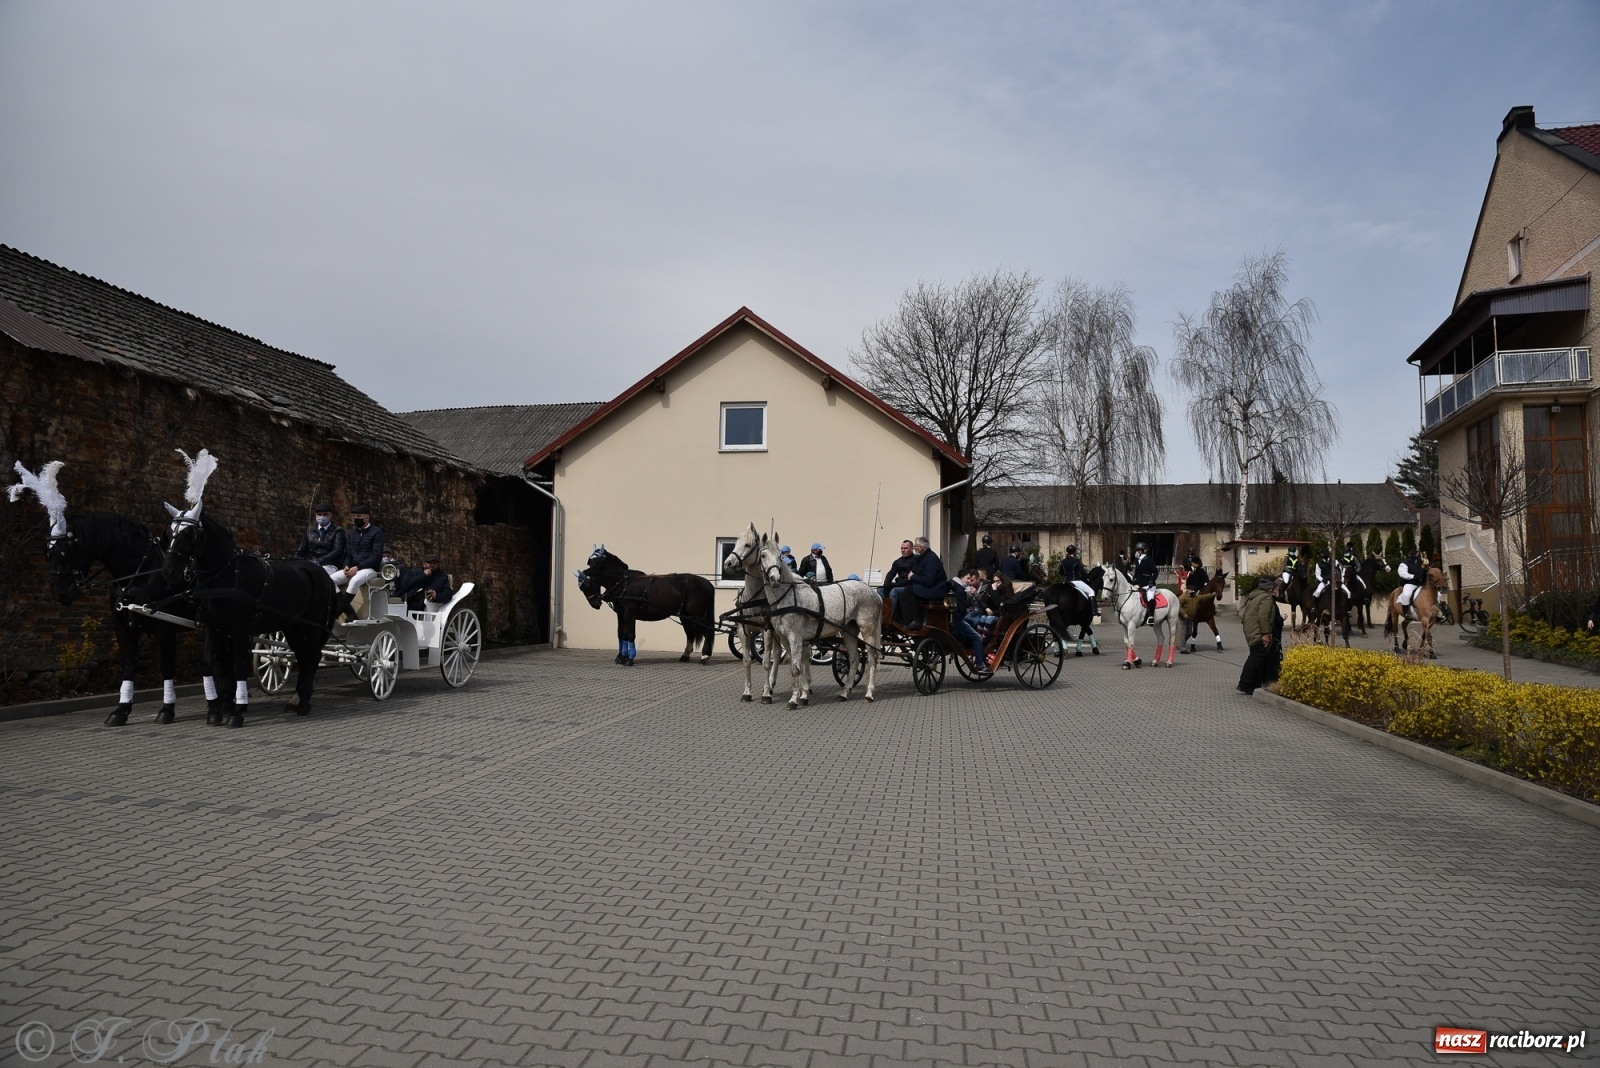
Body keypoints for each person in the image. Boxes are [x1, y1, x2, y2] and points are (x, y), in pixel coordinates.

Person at [1237, 576, 1284, 695]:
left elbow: (1246, 616)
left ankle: (1254, 684)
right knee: (1257, 655)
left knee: (1258, 656)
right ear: (1269, 589)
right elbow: (1263, 617)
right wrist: (1266, 634)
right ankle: (1245, 683)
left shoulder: (1254, 597)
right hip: (1257, 631)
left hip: (1250, 630)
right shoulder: (1266, 598)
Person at [339, 503, 385, 619]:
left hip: (369, 569)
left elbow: (376, 557)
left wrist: (357, 567)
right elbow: (348, 554)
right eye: (355, 517)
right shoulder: (352, 533)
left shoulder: (376, 532)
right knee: (330, 580)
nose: (356, 519)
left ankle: (337, 611)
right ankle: (349, 611)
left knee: (354, 581)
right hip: (353, 567)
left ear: (367, 518)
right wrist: (346, 566)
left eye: (359, 516)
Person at [293, 502, 346, 580]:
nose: (322, 517)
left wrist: (319, 561)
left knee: (315, 574)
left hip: (329, 564)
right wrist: (295, 559)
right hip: (309, 562)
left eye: (325, 514)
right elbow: (301, 549)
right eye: (319, 514)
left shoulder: (338, 531)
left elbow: (337, 552)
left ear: (330, 515)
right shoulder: (310, 531)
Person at [904, 536, 948, 628]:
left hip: (935, 590)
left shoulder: (931, 558)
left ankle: (915, 620)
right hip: (930, 588)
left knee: (909, 590)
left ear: (920, 548)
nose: (914, 549)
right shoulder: (923, 558)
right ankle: (901, 618)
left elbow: (928, 580)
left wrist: (913, 577)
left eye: (915, 546)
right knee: (901, 590)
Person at [946, 570, 984, 666]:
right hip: (957, 619)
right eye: (967, 578)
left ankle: (961, 642)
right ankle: (980, 664)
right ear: (961, 577)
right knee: (977, 637)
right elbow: (962, 610)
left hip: (948, 618)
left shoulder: (950, 584)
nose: (968, 581)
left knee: (969, 622)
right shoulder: (960, 589)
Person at [883, 539, 916, 619]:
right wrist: (886, 582)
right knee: (880, 590)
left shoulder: (916, 560)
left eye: (905, 548)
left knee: (894, 591)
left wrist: (896, 585)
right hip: (899, 584)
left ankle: (889, 616)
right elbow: (891, 573)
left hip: (909, 586)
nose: (903, 550)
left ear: (911, 549)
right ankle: (881, 615)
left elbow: (911, 578)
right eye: (902, 548)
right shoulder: (897, 562)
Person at [1131, 542, 1159, 625]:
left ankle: (1151, 617)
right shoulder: (1137, 560)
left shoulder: (1149, 560)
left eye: (1137, 550)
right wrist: (1134, 579)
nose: (1136, 552)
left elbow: (1155, 572)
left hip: (1148, 585)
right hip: (1139, 584)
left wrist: (1151, 581)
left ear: (1141, 551)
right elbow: (1137, 572)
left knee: (1150, 598)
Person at [1396, 547, 1423, 614]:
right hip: (1410, 584)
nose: (1413, 555)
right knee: (1406, 595)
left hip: (1421, 584)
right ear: (1408, 554)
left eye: (1414, 554)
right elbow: (1402, 573)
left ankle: (1440, 613)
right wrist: (1413, 576)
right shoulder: (1404, 563)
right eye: (1411, 554)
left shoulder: (1420, 563)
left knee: (1438, 594)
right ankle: (1406, 613)